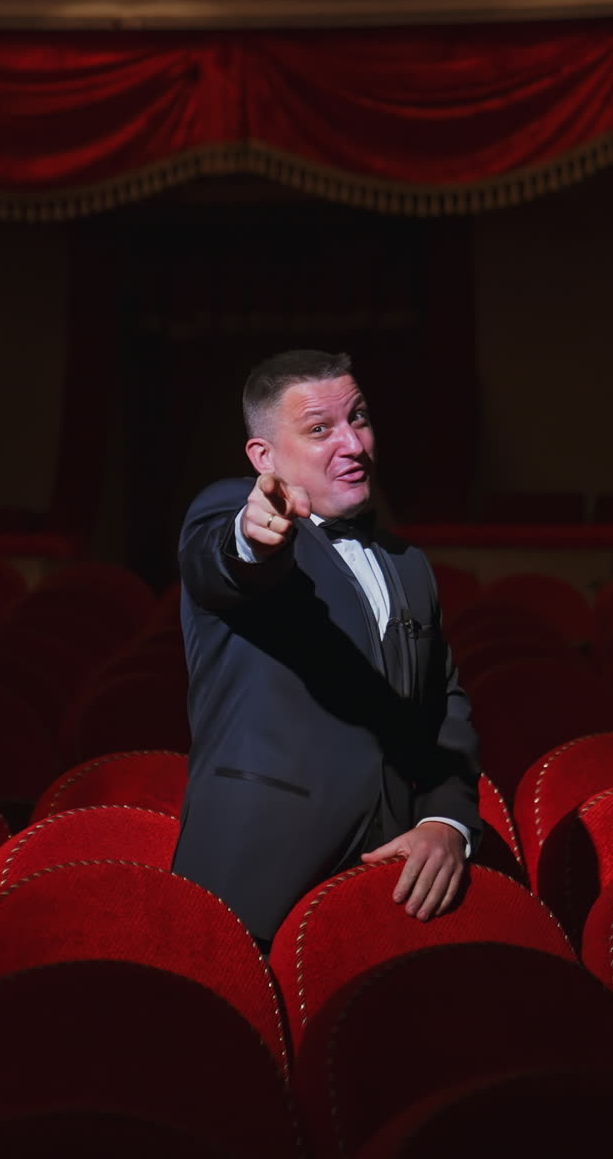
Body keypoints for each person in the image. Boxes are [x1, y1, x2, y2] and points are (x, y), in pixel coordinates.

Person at [174, 349, 481, 949]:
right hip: (254, 873)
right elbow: (225, 560)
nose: (354, 445)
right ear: (264, 458)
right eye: (320, 430)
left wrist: (446, 824)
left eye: (359, 419)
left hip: (391, 890)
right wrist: (253, 537)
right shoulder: (228, 510)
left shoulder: (410, 564)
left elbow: (444, 712)